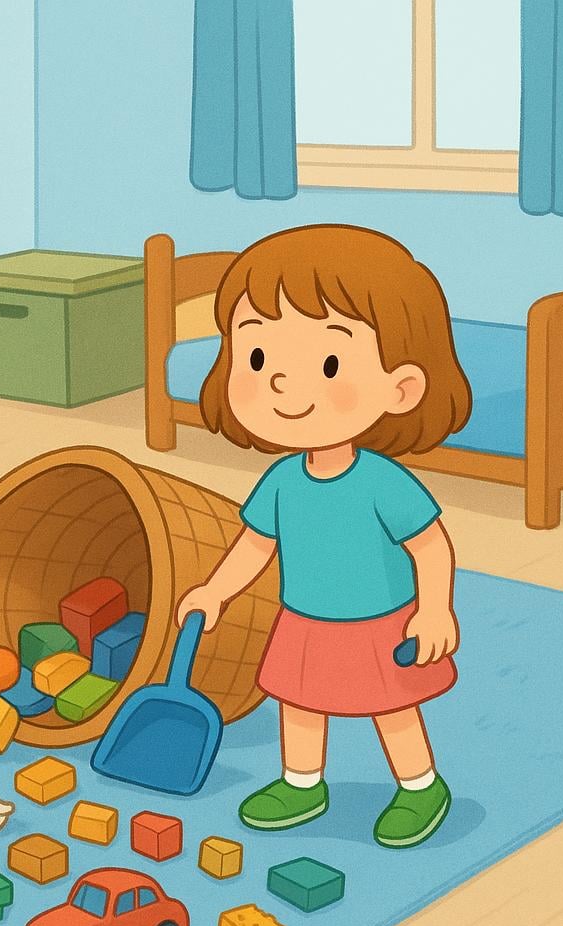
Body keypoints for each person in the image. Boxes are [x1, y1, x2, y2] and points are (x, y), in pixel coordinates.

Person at [177, 224, 472, 848]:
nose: (281, 382)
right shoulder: (283, 478)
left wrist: (435, 607)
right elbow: (257, 544)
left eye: (329, 362)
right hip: (304, 618)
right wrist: (214, 591)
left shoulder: (382, 483)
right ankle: (302, 781)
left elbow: (430, 544)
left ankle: (421, 785)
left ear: (402, 389)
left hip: (378, 622)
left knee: (391, 706)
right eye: (257, 358)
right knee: (299, 702)